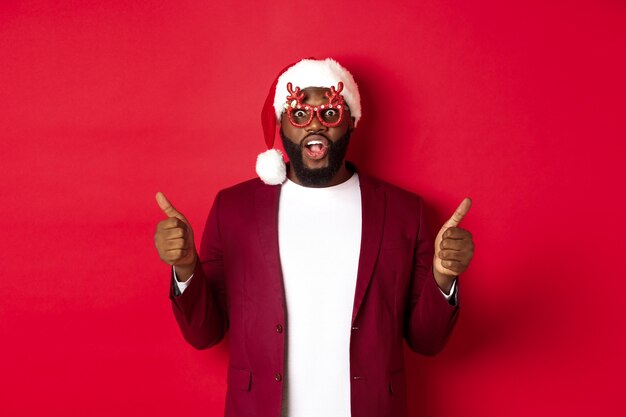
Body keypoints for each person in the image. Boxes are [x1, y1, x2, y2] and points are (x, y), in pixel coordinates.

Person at [154, 58, 474, 417]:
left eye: (330, 113)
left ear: (351, 121)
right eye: (300, 114)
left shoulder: (404, 211)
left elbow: (426, 341)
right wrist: (185, 268)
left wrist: (444, 277)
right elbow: (205, 333)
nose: (315, 125)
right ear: (281, 124)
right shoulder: (234, 209)